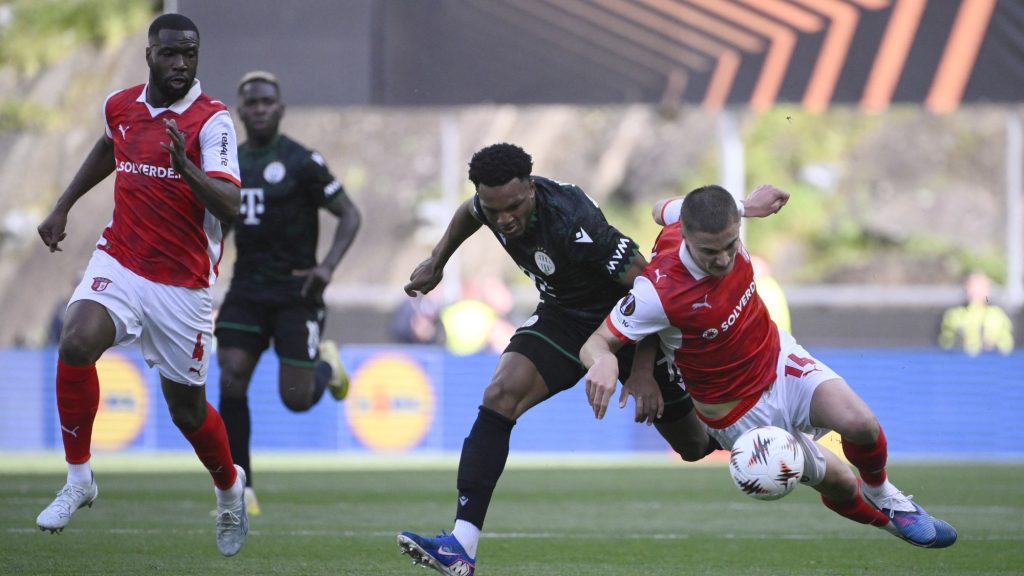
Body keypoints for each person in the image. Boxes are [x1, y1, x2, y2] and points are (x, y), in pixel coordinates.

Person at [395, 143, 788, 575]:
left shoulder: (573, 219)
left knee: (693, 446)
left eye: (513, 206)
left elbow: (648, 285)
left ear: (531, 188)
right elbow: (469, 213)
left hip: (628, 322)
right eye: (495, 209)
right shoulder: (490, 205)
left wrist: (642, 370)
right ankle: (461, 546)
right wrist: (437, 261)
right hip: (564, 317)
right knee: (500, 395)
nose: (504, 219)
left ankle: (774, 435)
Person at [580, 184, 958, 550]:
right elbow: (596, 343)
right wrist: (605, 361)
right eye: (709, 252)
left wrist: (745, 205)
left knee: (861, 423)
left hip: (777, 360)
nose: (723, 259)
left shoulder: (707, 216)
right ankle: (890, 525)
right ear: (687, 237)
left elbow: (659, 208)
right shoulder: (657, 291)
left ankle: (886, 496)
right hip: (735, 413)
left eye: (731, 245)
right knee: (842, 483)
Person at [34, 14, 248, 556]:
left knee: (187, 412)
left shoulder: (212, 121)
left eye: (190, 54)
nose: (181, 64)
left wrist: (185, 166)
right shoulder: (121, 105)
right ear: (149, 53)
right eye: (170, 53)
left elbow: (230, 205)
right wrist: (63, 205)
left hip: (182, 284)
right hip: (122, 261)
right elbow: (110, 146)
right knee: (75, 340)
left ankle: (229, 488)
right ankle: (79, 479)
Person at [213, 70, 361, 517]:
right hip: (246, 289)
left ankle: (326, 365)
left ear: (280, 109)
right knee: (231, 375)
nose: (259, 109)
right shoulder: (229, 164)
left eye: (266, 102)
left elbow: (349, 214)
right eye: (251, 103)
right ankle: (240, 489)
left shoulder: (301, 161)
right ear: (240, 112)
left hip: (297, 291)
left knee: (295, 398)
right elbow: (218, 224)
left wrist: (327, 267)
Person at [938, 270, 1014, 356]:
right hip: (961, 360)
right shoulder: (954, 314)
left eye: (980, 287)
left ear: (988, 290)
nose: (975, 291)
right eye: (972, 287)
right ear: (965, 288)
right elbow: (945, 343)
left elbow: (1007, 345)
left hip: (991, 360)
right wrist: (958, 344)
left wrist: (994, 346)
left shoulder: (997, 314)